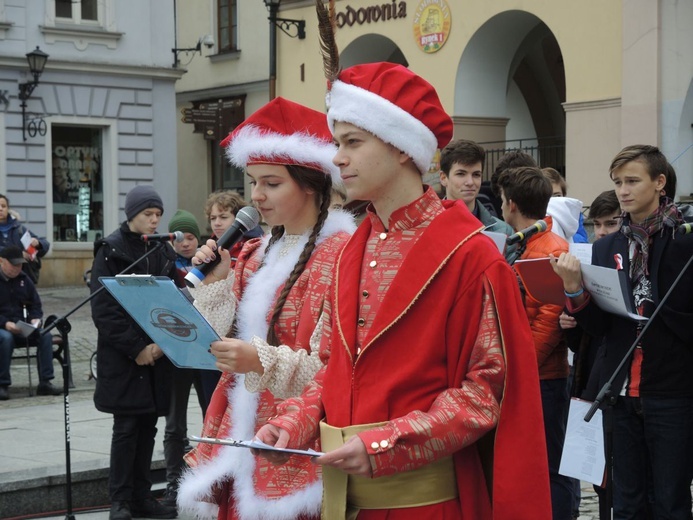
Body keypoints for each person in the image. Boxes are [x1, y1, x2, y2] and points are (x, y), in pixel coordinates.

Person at [254, 62, 551, 519]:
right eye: (338, 143)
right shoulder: (353, 248)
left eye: (353, 142)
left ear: (401, 148)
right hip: (346, 503)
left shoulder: (471, 256)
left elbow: (485, 391)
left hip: (428, 505)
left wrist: (387, 444)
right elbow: (334, 366)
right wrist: (294, 423)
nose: (337, 158)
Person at [177, 97, 356, 520]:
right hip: (240, 428)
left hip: (293, 436)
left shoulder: (340, 254)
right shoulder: (255, 251)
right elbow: (217, 335)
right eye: (253, 181)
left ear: (311, 184)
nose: (255, 195)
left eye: (271, 183)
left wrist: (258, 359)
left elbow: (336, 364)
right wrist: (218, 278)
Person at [552, 145, 693, 520]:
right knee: (625, 504)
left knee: (671, 501)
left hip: (672, 388)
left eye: (632, 181)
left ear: (660, 182)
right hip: (618, 390)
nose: (623, 191)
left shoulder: (683, 240)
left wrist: (647, 309)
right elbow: (600, 328)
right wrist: (573, 289)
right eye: (618, 183)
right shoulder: (608, 246)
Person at [89, 185, 178, 520]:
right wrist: (137, 348)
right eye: (148, 215)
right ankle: (121, 500)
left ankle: (142, 496)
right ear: (132, 216)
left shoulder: (162, 250)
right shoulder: (111, 251)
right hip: (126, 359)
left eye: (158, 214)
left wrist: (159, 344)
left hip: (156, 356)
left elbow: (172, 301)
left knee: (148, 428)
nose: (155, 221)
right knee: (126, 428)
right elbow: (105, 311)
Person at [497, 166, 572, 520]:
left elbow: (549, 319)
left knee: (553, 464)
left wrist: (524, 365)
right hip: (532, 371)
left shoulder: (548, 247)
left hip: (544, 375)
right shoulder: (527, 242)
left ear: (510, 204)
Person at [162, 209, 207, 509]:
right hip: (177, 354)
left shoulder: (209, 262)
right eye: (179, 238)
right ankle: (173, 483)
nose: (185, 243)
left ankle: (209, 481)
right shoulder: (164, 265)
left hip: (205, 352)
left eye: (190, 237)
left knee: (212, 418)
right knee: (174, 423)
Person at [0, 245, 62, 400]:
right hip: (3, 327)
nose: (17, 268)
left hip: (23, 326)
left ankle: (45, 382)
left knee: (45, 335)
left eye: (19, 264)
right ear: (1, 261)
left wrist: (36, 319)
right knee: (5, 339)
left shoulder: (24, 280)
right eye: (13, 264)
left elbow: (35, 304)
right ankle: (3, 384)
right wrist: (5, 323)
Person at [439, 139, 516, 260]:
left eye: (476, 175)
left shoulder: (503, 231)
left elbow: (511, 277)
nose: (470, 182)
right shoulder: (426, 226)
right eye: (461, 174)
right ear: (443, 178)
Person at [0, 194, 50, 284]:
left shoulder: (19, 229)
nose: (0, 209)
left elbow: (45, 245)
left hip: (20, 281)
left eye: (3, 206)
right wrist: (17, 254)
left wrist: (38, 243)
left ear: (8, 209)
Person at [542, 168, 589, 243]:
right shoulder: (536, 214)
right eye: (548, 196)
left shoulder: (574, 214)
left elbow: (582, 241)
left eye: (557, 196)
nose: (553, 200)